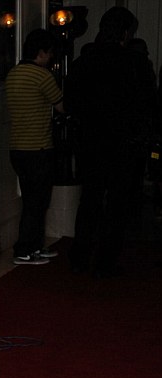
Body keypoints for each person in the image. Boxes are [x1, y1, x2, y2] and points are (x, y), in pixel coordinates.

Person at [64, 7, 156, 277]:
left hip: (90, 142)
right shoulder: (136, 63)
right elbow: (148, 105)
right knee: (117, 204)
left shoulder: (84, 62)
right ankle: (105, 261)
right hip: (123, 145)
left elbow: (71, 103)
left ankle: (80, 257)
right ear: (126, 33)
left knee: (89, 200)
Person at [5, 29, 64, 265]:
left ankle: (33, 247)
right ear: (41, 53)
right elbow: (62, 107)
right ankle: (25, 250)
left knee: (31, 200)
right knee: (36, 203)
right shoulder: (42, 76)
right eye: (49, 53)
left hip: (18, 148)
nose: (51, 58)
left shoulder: (14, 73)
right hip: (38, 148)